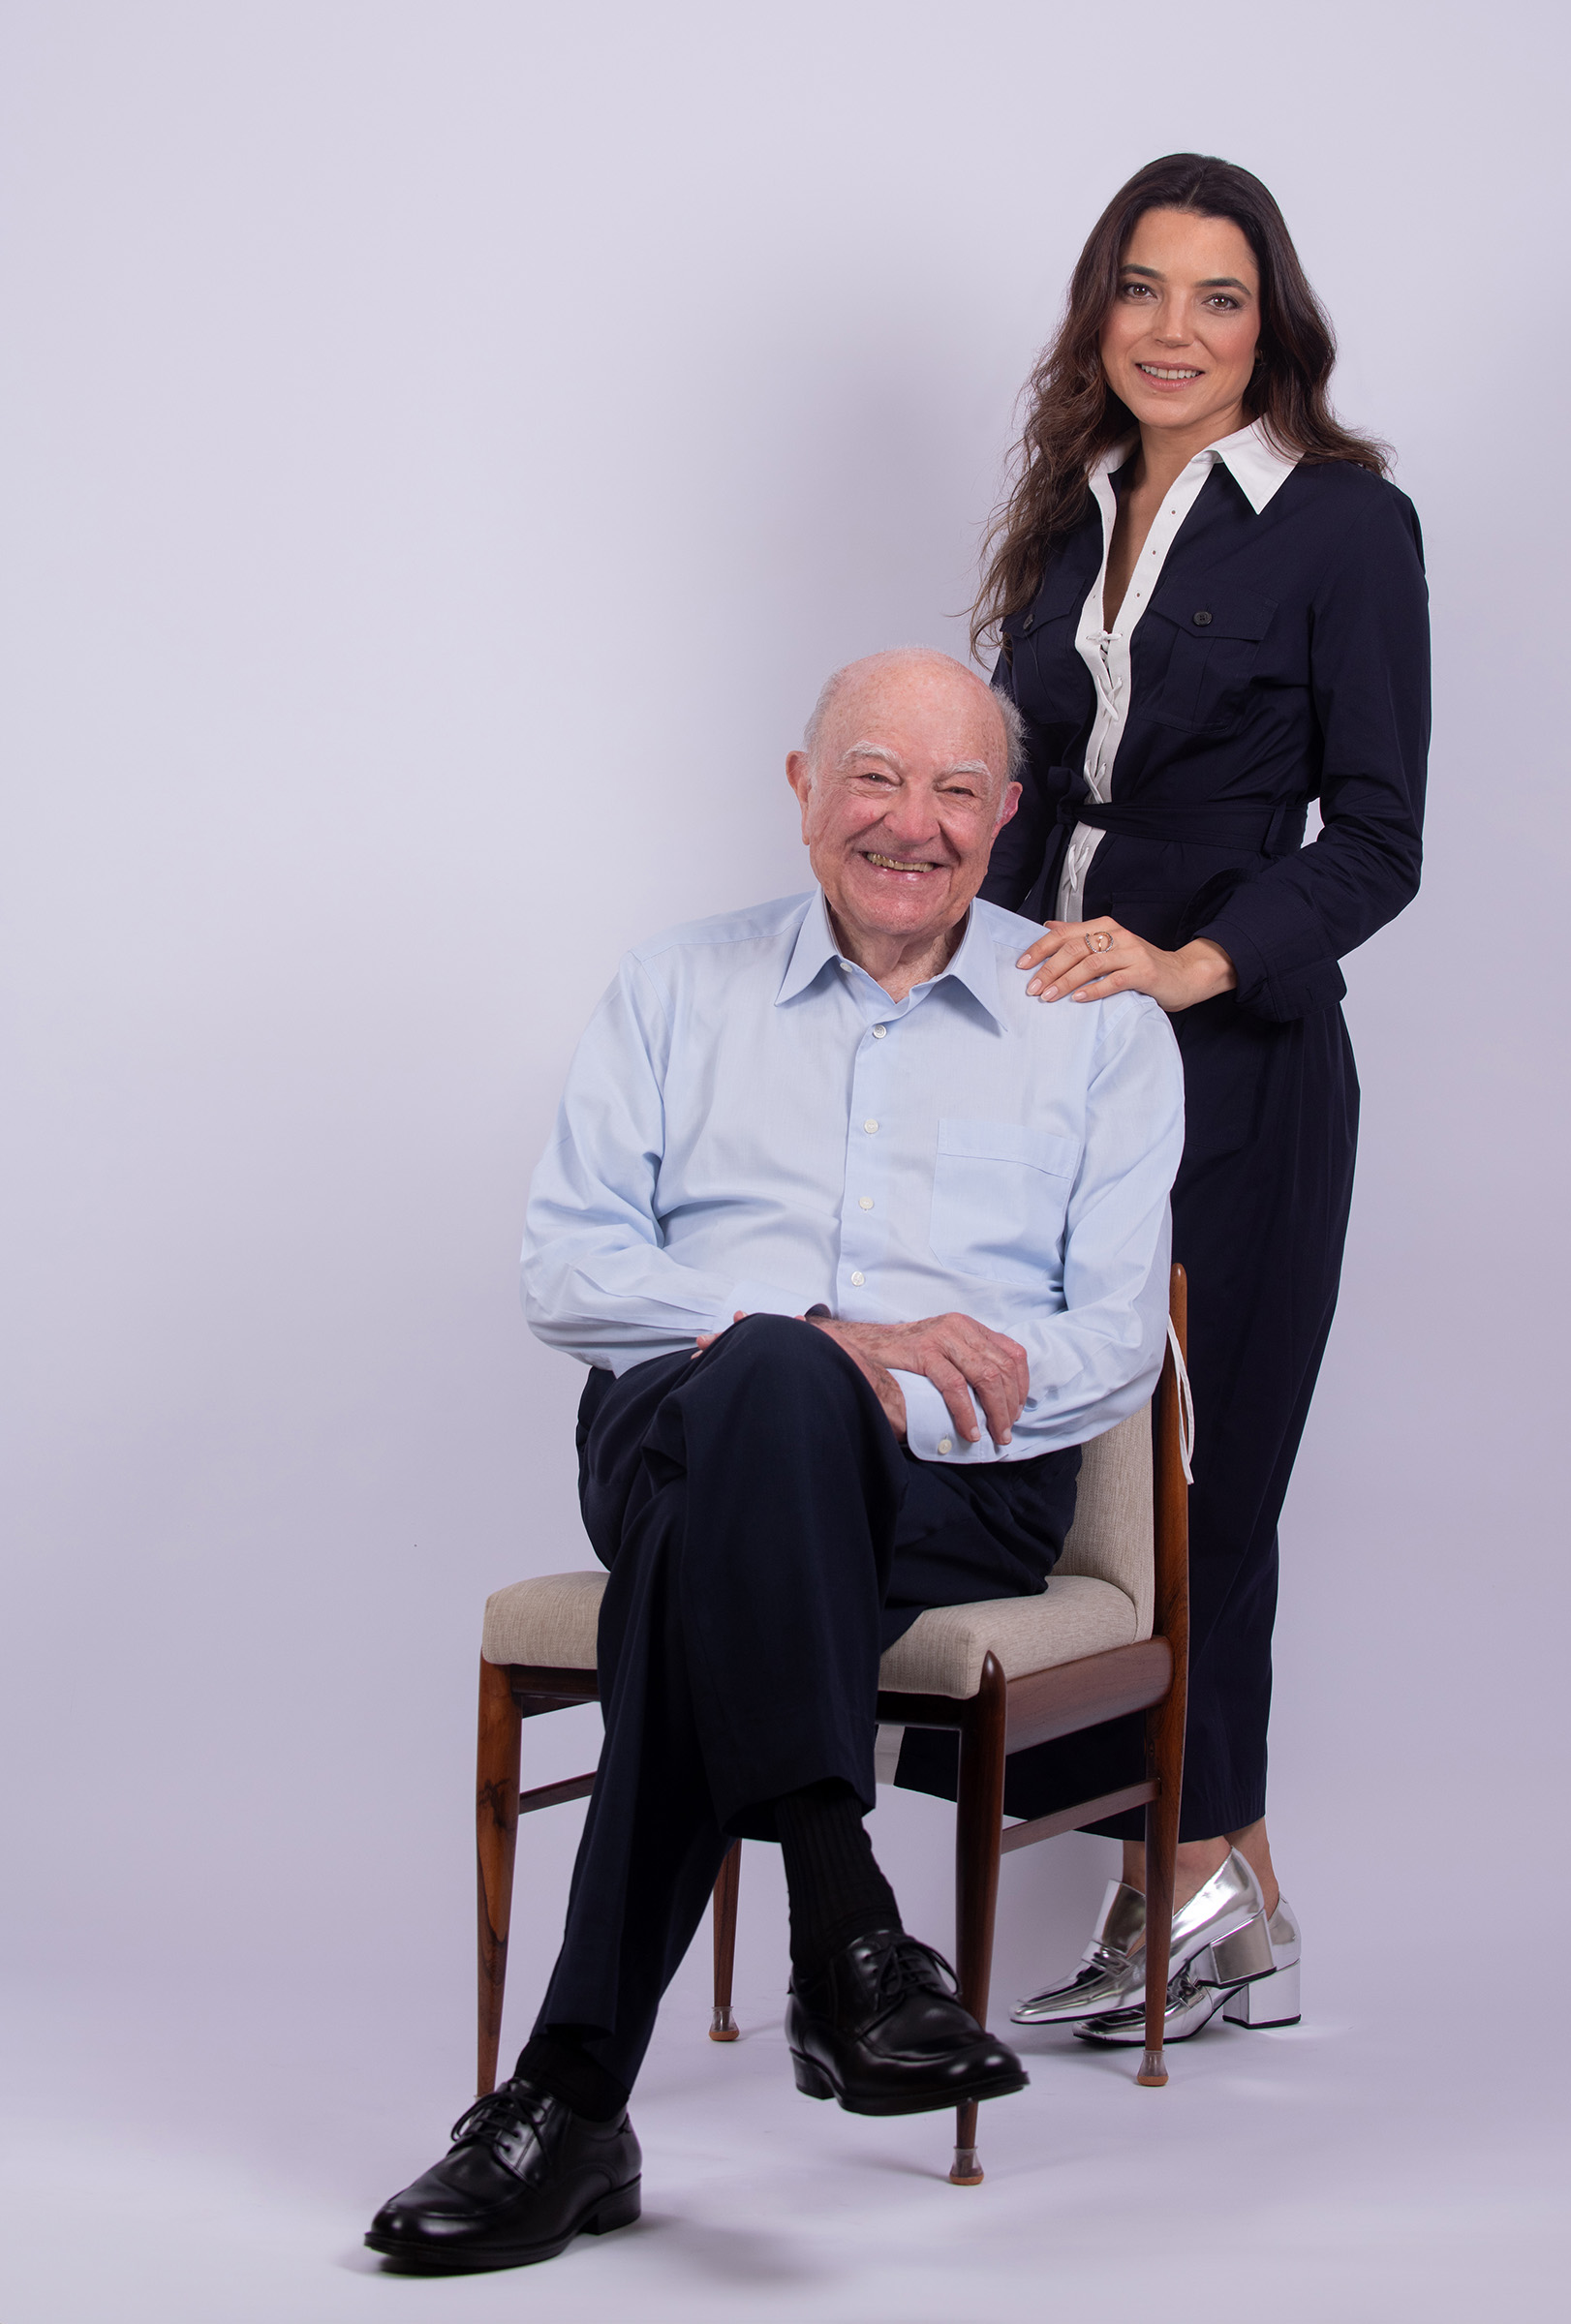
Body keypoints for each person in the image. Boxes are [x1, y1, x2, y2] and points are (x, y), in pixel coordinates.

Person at [365, 649, 1186, 2273]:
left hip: (962, 1479)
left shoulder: (1090, 1026)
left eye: (958, 790)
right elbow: (570, 1273)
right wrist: (827, 1343)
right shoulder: (675, 988)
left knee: (733, 1494)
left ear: (1007, 815)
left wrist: (887, 1395)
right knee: (766, 1385)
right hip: (674, 1421)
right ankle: (849, 1934)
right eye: (874, 778)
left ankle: (568, 2103)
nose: (915, 823)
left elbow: (1107, 1338)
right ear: (804, 793)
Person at [945, 153, 1431, 2045]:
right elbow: (1019, 791)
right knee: (1074, 1472)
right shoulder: (1070, 515)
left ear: (1271, 322)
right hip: (1046, 1071)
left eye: (1215, 297)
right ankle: (1174, 1888)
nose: (1172, 330)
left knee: (1210, 1479)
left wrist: (1189, 960)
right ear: (1098, 312)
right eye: (1140, 290)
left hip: (1238, 1074)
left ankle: (1219, 1880)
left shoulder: (1341, 526)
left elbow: (1379, 841)